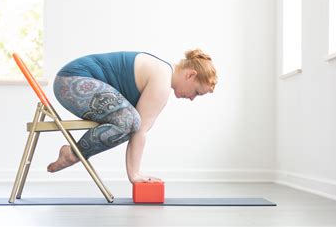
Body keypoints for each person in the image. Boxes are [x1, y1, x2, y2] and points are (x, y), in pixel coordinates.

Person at [47, 49, 217, 183]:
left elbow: (136, 128)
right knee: (130, 120)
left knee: (129, 121)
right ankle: (73, 154)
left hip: (69, 82)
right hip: (72, 81)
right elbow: (139, 129)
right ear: (190, 75)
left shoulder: (163, 73)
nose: (192, 98)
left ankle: (73, 153)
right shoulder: (162, 80)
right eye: (196, 92)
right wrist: (135, 174)